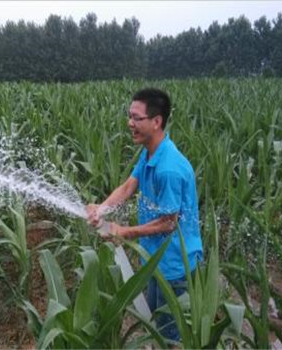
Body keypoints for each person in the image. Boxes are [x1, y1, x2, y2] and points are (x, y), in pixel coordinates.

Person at [86, 88, 203, 342]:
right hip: (154, 258)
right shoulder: (151, 151)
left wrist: (124, 232)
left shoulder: (169, 168)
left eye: (136, 118)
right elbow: (129, 186)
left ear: (156, 121)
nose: (130, 123)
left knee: (172, 334)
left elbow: (168, 222)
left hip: (174, 265)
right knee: (156, 320)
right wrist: (102, 209)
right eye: (129, 116)